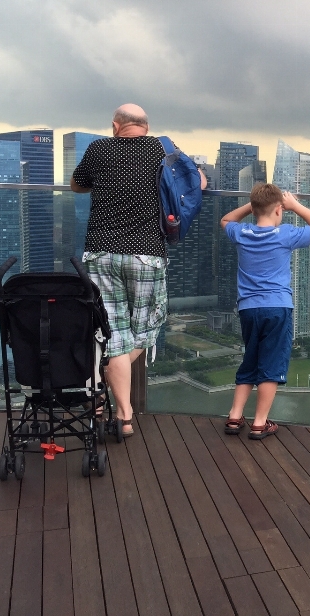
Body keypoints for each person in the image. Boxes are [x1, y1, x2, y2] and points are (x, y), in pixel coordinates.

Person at [70, 104, 205, 437]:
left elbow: (77, 184)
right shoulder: (163, 147)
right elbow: (197, 180)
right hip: (146, 254)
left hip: (100, 252)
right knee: (144, 330)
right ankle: (121, 410)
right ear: (146, 126)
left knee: (111, 332)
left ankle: (111, 403)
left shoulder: (99, 148)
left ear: (116, 125)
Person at [220, 184, 310, 439]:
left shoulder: (242, 232)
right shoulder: (285, 234)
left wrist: (253, 204)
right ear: (280, 209)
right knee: (271, 365)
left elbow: (225, 219)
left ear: (255, 209)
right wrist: (294, 205)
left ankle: (235, 416)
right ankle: (259, 422)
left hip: (248, 309)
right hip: (277, 307)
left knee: (251, 358)